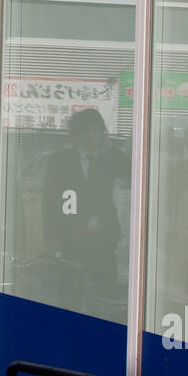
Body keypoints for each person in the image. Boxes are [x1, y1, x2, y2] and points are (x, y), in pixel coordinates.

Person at [41, 107, 129, 290]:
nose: (92, 136)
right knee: (71, 292)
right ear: (76, 134)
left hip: (104, 238)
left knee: (105, 292)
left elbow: (130, 170)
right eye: (86, 130)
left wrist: (110, 147)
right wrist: (51, 235)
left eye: (96, 130)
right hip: (71, 238)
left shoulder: (109, 159)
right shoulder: (61, 160)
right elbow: (50, 199)